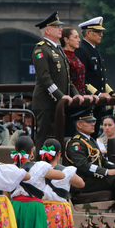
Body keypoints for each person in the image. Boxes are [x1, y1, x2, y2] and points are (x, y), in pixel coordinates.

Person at [32, 11, 84, 153]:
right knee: (44, 138)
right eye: (57, 27)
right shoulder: (41, 49)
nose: (61, 29)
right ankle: (40, 168)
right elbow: (44, 78)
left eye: (60, 26)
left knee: (56, 138)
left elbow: (66, 78)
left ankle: (53, 167)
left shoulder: (58, 49)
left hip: (59, 103)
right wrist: (60, 96)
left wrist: (76, 94)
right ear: (48, 30)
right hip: (46, 102)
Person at [65, 107, 115, 213]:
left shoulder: (90, 140)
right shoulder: (76, 143)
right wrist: (106, 172)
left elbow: (103, 161)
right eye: (89, 122)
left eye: (93, 121)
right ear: (79, 125)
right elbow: (83, 165)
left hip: (95, 178)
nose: (93, 124)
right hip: (86, 181)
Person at [60, 27, 88, 95]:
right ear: (66, 40)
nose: (79, 40)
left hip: (81, 97)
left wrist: (90, 94)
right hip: (72, 99)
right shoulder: (63, 58)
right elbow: (67, 83)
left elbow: (82, 83)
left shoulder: (75, 57)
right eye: (75, 37)